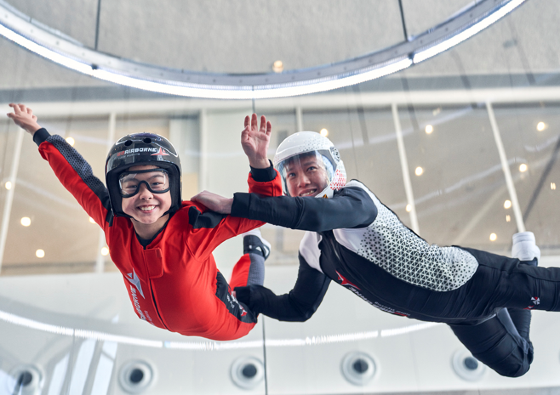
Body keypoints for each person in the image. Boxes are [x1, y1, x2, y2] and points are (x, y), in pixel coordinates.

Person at [192, 130, 557, 377]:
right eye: (292, 175)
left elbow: (310, 214)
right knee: (517, 364)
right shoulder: (313, 250)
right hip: (460, 316)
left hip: (471, 281)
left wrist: (234, 205)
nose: (302, 180)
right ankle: (528, 260)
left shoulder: (356, 201)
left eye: (310, 168)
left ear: (333, 170)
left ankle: (524, 268)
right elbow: (298, 308)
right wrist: (248, 296)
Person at [6, 104, 282, 341]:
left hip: (219, 320)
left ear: (172, 187)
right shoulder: (114, 221)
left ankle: (255, 251)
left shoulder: (196, 224)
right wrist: (36, 131)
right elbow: (78, 176)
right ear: (117, 193)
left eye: (156, 183)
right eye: (131, 185)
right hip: (157, 314)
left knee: (248, 306)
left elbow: (265, 209)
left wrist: (260, 164)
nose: (145, 195)